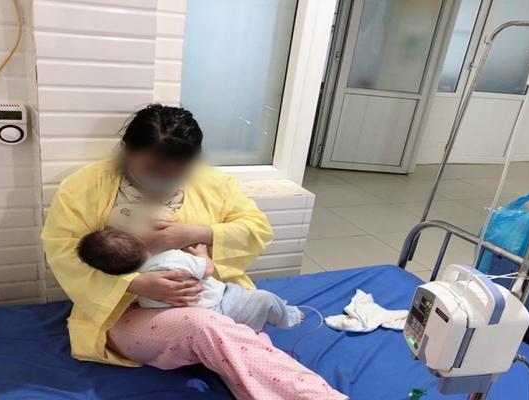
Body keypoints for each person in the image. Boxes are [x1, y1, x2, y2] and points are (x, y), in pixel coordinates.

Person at [41, 104, 347, 400]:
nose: (163, 179)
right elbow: (64, 251)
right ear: (125, 151)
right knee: (207, 328)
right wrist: (134, 284)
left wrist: (198, 233)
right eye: (152, 169)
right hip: (128, 314)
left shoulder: (214, 183)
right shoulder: (84, 187)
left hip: (216, 299)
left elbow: (257, 229)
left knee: (247, 350)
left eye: (176, 171)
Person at [77, 228, 303, 332]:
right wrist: (202, 253)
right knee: (264, 298)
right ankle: (288, 316)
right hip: (222, 304)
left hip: (193, 320)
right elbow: (208, 269)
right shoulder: (172, 259)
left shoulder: (139, 286)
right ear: (141, 242)